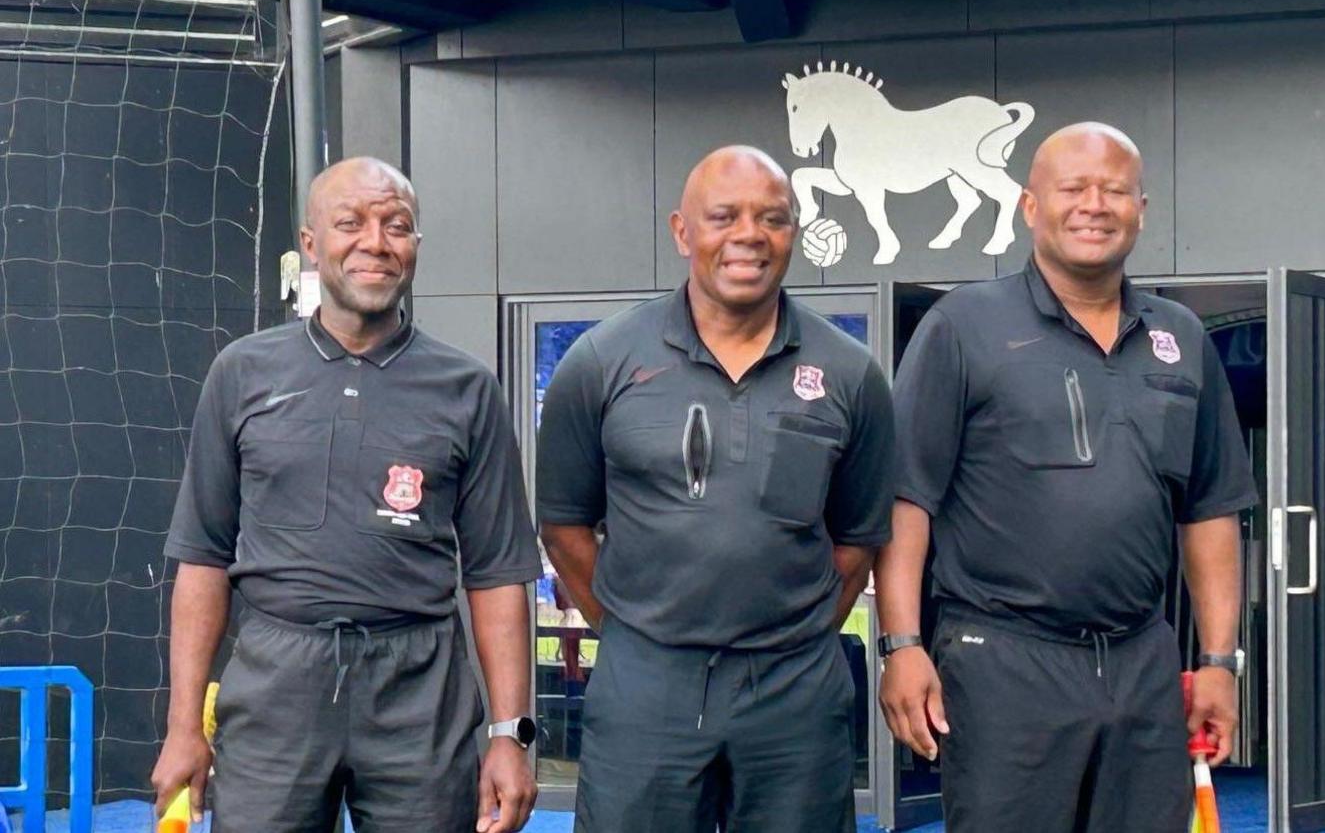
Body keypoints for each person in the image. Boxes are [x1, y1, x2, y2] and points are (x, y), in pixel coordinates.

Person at [875, 123, 1259, 833]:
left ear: (1141, 209)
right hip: (1003, 661)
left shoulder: (1182, 341)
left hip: (1143, 661)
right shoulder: (963, 327)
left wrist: (1218, 660)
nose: (1095, 205)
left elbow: (1210, 509)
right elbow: (906, 500)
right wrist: (901, 646)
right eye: (1073, 188)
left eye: (1115, 190)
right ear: (1028, 206)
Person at [150, 157, 541, 833]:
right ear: (310, 243)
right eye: (350, 224)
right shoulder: (241, 374)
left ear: (415, 246)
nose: (376, 243)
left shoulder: (467, 389)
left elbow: (499, 575)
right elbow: (202, 559)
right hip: (276, 685)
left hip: (420, 693)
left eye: (397, 226)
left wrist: (511, 735)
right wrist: (185, 725)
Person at [536, 145, 896, 832]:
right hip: (647, 687)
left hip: (793, 689)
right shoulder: (601, 363)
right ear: (682, 232)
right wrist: (633, 630)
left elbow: (860, 539)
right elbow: (563, 527)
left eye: (773, 218)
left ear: (794, 232)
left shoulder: (850, 374)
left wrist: (798, 627)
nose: (749, 236)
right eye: (724, 216)